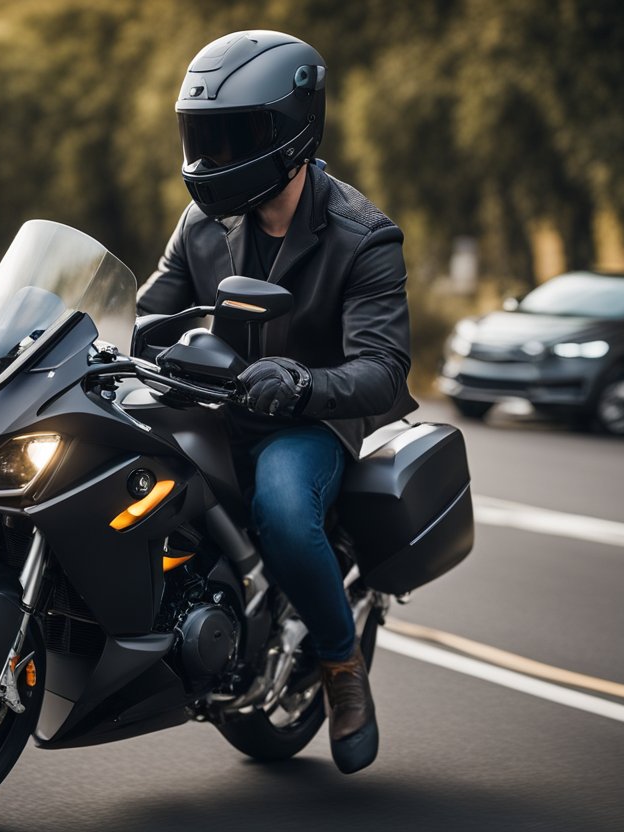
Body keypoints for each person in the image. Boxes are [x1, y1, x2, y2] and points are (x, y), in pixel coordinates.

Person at [136, 30, 416, 774]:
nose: (212, 159)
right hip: (210, 408)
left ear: (291, 132)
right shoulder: (201, 223)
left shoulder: (363, 237)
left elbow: (384, 370)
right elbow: (147, 317)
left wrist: (298, 383)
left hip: (309, 422)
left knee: (287, 512)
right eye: (203, 138)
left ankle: (341, 665)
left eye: (232, 139)